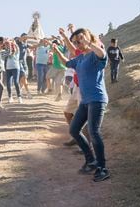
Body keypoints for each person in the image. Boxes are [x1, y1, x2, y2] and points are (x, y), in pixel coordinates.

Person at [53, 28, 110, 182]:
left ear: (88, 37)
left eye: (80, 39)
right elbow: (67, 63)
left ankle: (102, 168)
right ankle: (91, 160)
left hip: (97, 99)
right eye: (76, 41)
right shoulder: (80, 58)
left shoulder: (95, 54)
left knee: (94, 132)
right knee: (74, 129)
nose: (78, 43)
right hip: (85, 101)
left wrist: (88, 42)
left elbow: (102, 54)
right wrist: (57, 50)